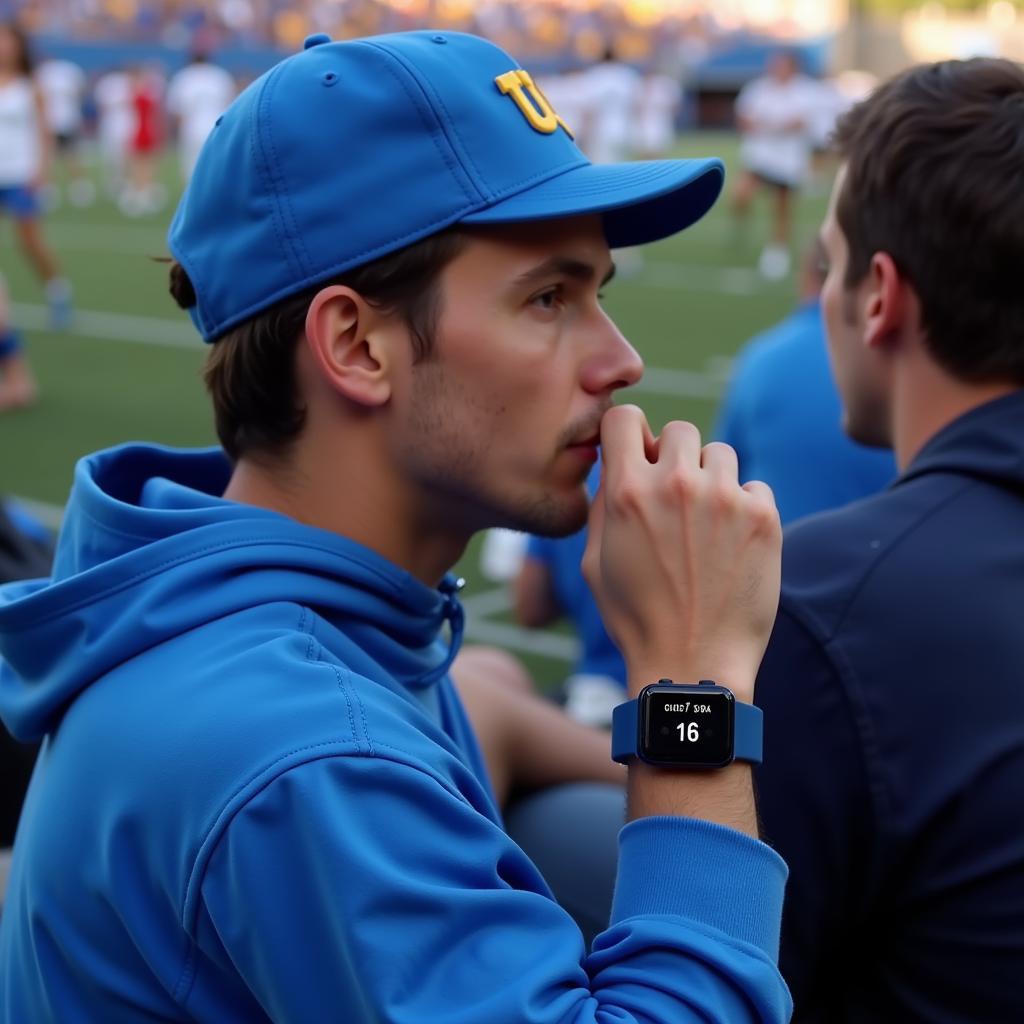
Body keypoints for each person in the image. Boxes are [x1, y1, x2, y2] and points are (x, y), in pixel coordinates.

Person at [0, 30, 790, 1021]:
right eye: (548, 296)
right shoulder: (304, 755)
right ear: (355, 345)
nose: (621, 360)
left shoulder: (313, 628)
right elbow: (338, 757)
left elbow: (471, 694)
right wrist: (695, 695)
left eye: (599, 294)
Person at [754, 57, 1024, 1022]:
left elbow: (718, 975)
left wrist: (677, 693)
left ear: (880, 297)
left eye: (831, 262)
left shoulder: (825, 600)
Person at [715, 239, 895, 524]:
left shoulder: (763, 358)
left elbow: (725, 476)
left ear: (809, 276)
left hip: (775, 560)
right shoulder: (901, 367)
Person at [515, 457, 626, 727]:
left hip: (595, 696)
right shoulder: (677, 479)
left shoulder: (558, 483)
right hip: (677, 702)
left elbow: (530, 609)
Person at [0, 22, 72, 329]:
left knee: (29, 241)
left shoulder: (31, 85)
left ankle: (57, 290)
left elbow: (45, 132)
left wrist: (41, 171)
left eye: (7, 40)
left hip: (21, 175)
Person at [732, 49, 820, 280]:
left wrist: (771, 126)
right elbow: (744, 117)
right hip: (759, 155)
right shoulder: (757, 88)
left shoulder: (805, 90)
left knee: (781, 207)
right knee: (740, 195)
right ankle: (743, 227)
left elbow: (801, 121)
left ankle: (777, 251)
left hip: (787, 160)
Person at [166, 49, 235, 183]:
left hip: (191, 128)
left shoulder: (184, 77)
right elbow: (230, 105)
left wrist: (177, 131)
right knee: (214, 166)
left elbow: (176, 109)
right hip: (216, 127)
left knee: (191, 168)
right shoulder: (220, 76)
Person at [35, 54, 94, 207]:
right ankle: (50, 188)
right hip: (54, 121)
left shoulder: (49, 72)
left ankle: (77, 186)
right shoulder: (45, 72)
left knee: (69, 155)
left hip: (64, 120)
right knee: (55, 155)